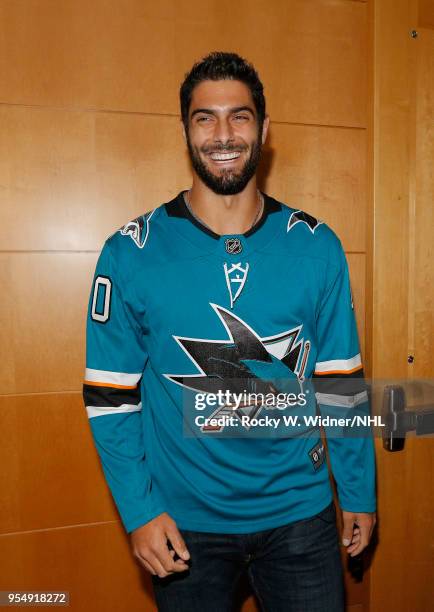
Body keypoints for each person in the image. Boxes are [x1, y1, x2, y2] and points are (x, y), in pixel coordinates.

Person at [83, 51, 376, 611]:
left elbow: (341, 381)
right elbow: (110, 397)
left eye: (239, 117)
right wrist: (139, 511)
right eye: (205, 118)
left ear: (264, 130)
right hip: (183, 526)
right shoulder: (130, 252)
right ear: (186, 131)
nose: (223, 134)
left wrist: (358, 490)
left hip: (302, 518)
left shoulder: (317, 246)